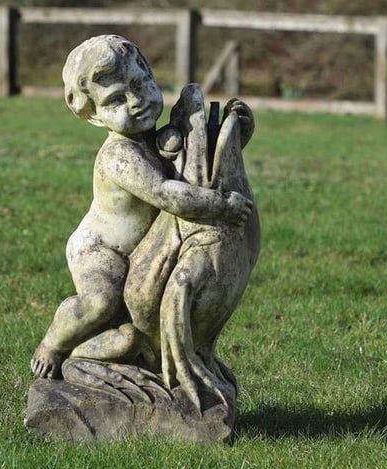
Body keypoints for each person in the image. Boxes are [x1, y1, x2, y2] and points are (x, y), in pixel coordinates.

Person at [30, 35, 253, 379]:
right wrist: (221, 206)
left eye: (140, 83)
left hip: (139, 250)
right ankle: (55, 345)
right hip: (100, 249)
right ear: (95, 117)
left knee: (128, 324)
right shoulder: (119, 156)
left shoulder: (150, 136)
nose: (135, 101)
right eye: (117, 99)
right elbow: (167, 193)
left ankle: (146, 352)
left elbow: (202, 163)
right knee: (102, 302)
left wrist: (236, 133)